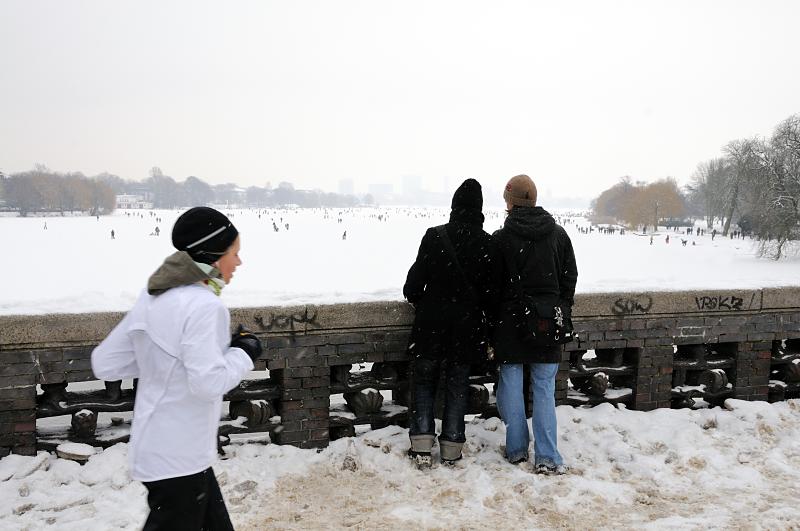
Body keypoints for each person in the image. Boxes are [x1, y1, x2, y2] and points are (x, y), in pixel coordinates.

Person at [92, 207, 262, 530]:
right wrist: (244, 351)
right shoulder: (204, 306)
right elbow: (208, 384)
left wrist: (161, 360)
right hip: (179, 459)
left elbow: (106, 363)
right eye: (234, 253)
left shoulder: (155, 295)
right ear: (214, 256)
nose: (238, 262)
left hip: (164, 452)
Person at [403, 179, 502, 467]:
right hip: (466, 330)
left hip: (430, 326)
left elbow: (412, 287)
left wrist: (431, 303)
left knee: (423, 382)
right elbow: (492, 297)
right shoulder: (488, 244)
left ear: (453, 207)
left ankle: (421, 444)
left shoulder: (434, 237)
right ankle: (451, 447)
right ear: (480, 210)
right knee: (457, 386)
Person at [491, 174, 577, 475]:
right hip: (547, 324)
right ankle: (548, 456)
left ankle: (516, 450)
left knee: (511, 388)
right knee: (543, 391)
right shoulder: (559, 235)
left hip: (510, 324)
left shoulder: (501, 239)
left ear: (510, 202)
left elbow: (491, 286)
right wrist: (559, 307)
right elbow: (570, 278)